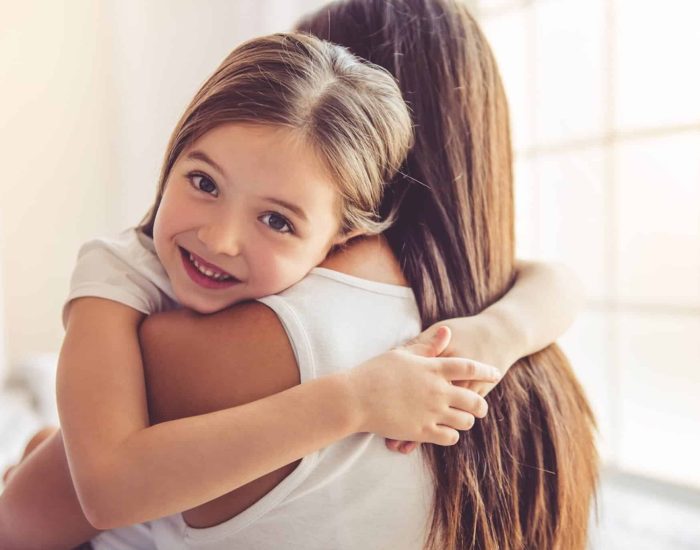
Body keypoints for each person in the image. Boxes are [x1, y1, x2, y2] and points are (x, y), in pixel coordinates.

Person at [0, 5, 589, 550]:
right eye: (203, 181)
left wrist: (492, 337)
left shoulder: (264, 335)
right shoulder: (122, 274)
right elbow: (94, 490)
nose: (219, 239)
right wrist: (354, 400)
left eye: (278, 219)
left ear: (352, 223)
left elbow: (560, 280)